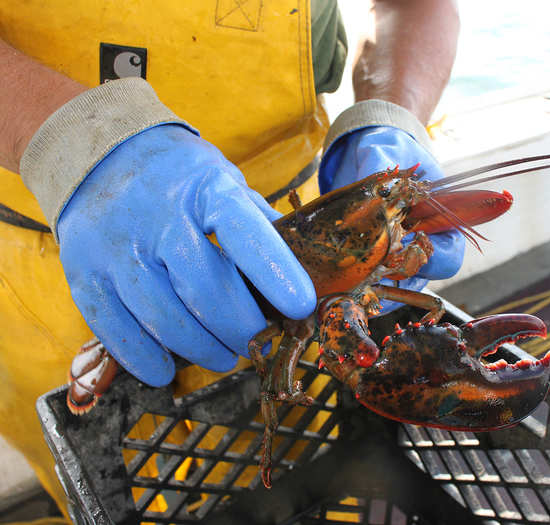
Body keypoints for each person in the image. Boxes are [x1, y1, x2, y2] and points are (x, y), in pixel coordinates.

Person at [0, 0, 461, 517]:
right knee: (108, 493)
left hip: (288, 189)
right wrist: (74, 143)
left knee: (289, 490)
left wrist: (389, 116)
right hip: (67, 247)